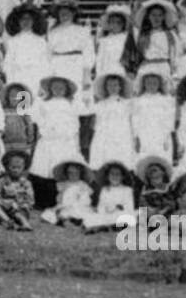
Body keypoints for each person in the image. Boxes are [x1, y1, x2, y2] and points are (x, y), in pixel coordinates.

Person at [32, 75, 81, 207]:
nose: (58, 89)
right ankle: (44, 200)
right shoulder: (43, 102)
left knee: (61, 165)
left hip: (65, 139)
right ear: (49, 88)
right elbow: (38, 119)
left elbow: (75, 123)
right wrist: (44, 130)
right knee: (45, 168)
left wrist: (73, 138)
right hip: (48, 138)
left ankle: (64, 199)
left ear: (66, 89)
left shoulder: (71, 103)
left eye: (61, 87)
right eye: (55, 87)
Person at [47, 0, 93, 100]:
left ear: (73, 13)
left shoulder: (82, 31)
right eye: (61, 12)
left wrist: (86, 74)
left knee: (76, 95)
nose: (64, 14)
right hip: (57, 66)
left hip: (76, 65)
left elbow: (89, 53)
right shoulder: (52, 32)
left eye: (67, 11)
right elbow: (48, 54)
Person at [2, 4, 50, 100]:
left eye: (29, 19)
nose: (26, 22)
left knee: (35, 106)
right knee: (21, 106)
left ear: (33, 21)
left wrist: (43, 85)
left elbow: (45, 64)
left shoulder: (41, 41)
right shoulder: (12, 41)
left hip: (35, 77)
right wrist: (11, 84)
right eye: (23, 19)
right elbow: (8, 64)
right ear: (18, 22)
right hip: (18, 76)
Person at [87, 72, 133, 169]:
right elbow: (91, 113)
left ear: (120, 87)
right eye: (110, 85)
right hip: (105, 136)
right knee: (105, 158)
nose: (112, 88)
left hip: (122, 136)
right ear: (106, 87)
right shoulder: (101, 104)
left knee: (122, 160)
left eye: (115, 85)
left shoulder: (127, 103)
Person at [132, 69, 175, 161]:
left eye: (154, 83)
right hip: (144, 134)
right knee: (144, 157)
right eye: (148, 83)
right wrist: (136, 137)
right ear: (144, 84)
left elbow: (170, 118)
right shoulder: (139, 100)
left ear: (160, 84)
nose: (151, 86)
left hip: (161, 134)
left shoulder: (166, 100)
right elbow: (135, 119)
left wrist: (167, 136)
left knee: (162, 156)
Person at [82, 161, 136, 232]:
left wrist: (117, 207)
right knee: (90, 216)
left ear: (122, 177)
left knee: (133, 215)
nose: (114, 176)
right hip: (107, 215)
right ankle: (108, 226)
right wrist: (105, 211)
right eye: (112, 174)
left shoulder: (127, 190)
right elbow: (101, 206)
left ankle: (106, 226)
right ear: (108, 176)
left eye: (117, 174)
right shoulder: (104, 189)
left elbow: (129, 207)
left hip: (121, 214)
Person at [134, 0, 177, 82]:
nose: (156, 18)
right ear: (148, 16)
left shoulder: (170, 34)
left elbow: (174, 54)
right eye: (153, 15)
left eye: (160, 15)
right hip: (146, 67)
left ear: (164, 17)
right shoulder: (142, 34)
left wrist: (174, 72)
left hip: (163, 67)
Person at [0, 150, 36, 230]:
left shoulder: (26, 183)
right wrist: (7, 203)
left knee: (18, 213)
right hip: (4, 209)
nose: (16, 170)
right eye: (13, 167)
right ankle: (8, 221)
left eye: (19, 168)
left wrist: (22, 205)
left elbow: (30, 200)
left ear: (24, 168)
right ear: (7, 167)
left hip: (20, 209)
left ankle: (25, 224)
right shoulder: (1, 181)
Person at [43, 156, 94, 227]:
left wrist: (80, 202)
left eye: (76, 173)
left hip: (78, 205)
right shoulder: (64, 184)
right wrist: (61, 202)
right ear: (66, 173)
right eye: (70, 173)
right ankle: (65, 221)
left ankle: (77, 220)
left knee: (85, 213)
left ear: (80, 173)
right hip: (65, 205)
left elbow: (86, 198)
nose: (73, 175)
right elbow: (60, 198)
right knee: (51, 213)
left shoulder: (83, 185)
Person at [93, 4, 138, 82]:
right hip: (107, 70)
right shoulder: (104, 41)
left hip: (122, 71)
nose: (115, 25)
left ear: (123, 24)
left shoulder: (128, 38)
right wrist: (98, 75)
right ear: (108, 23)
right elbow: (100, 60)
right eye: (112, 22)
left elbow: (132, 57)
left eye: (119, 23)